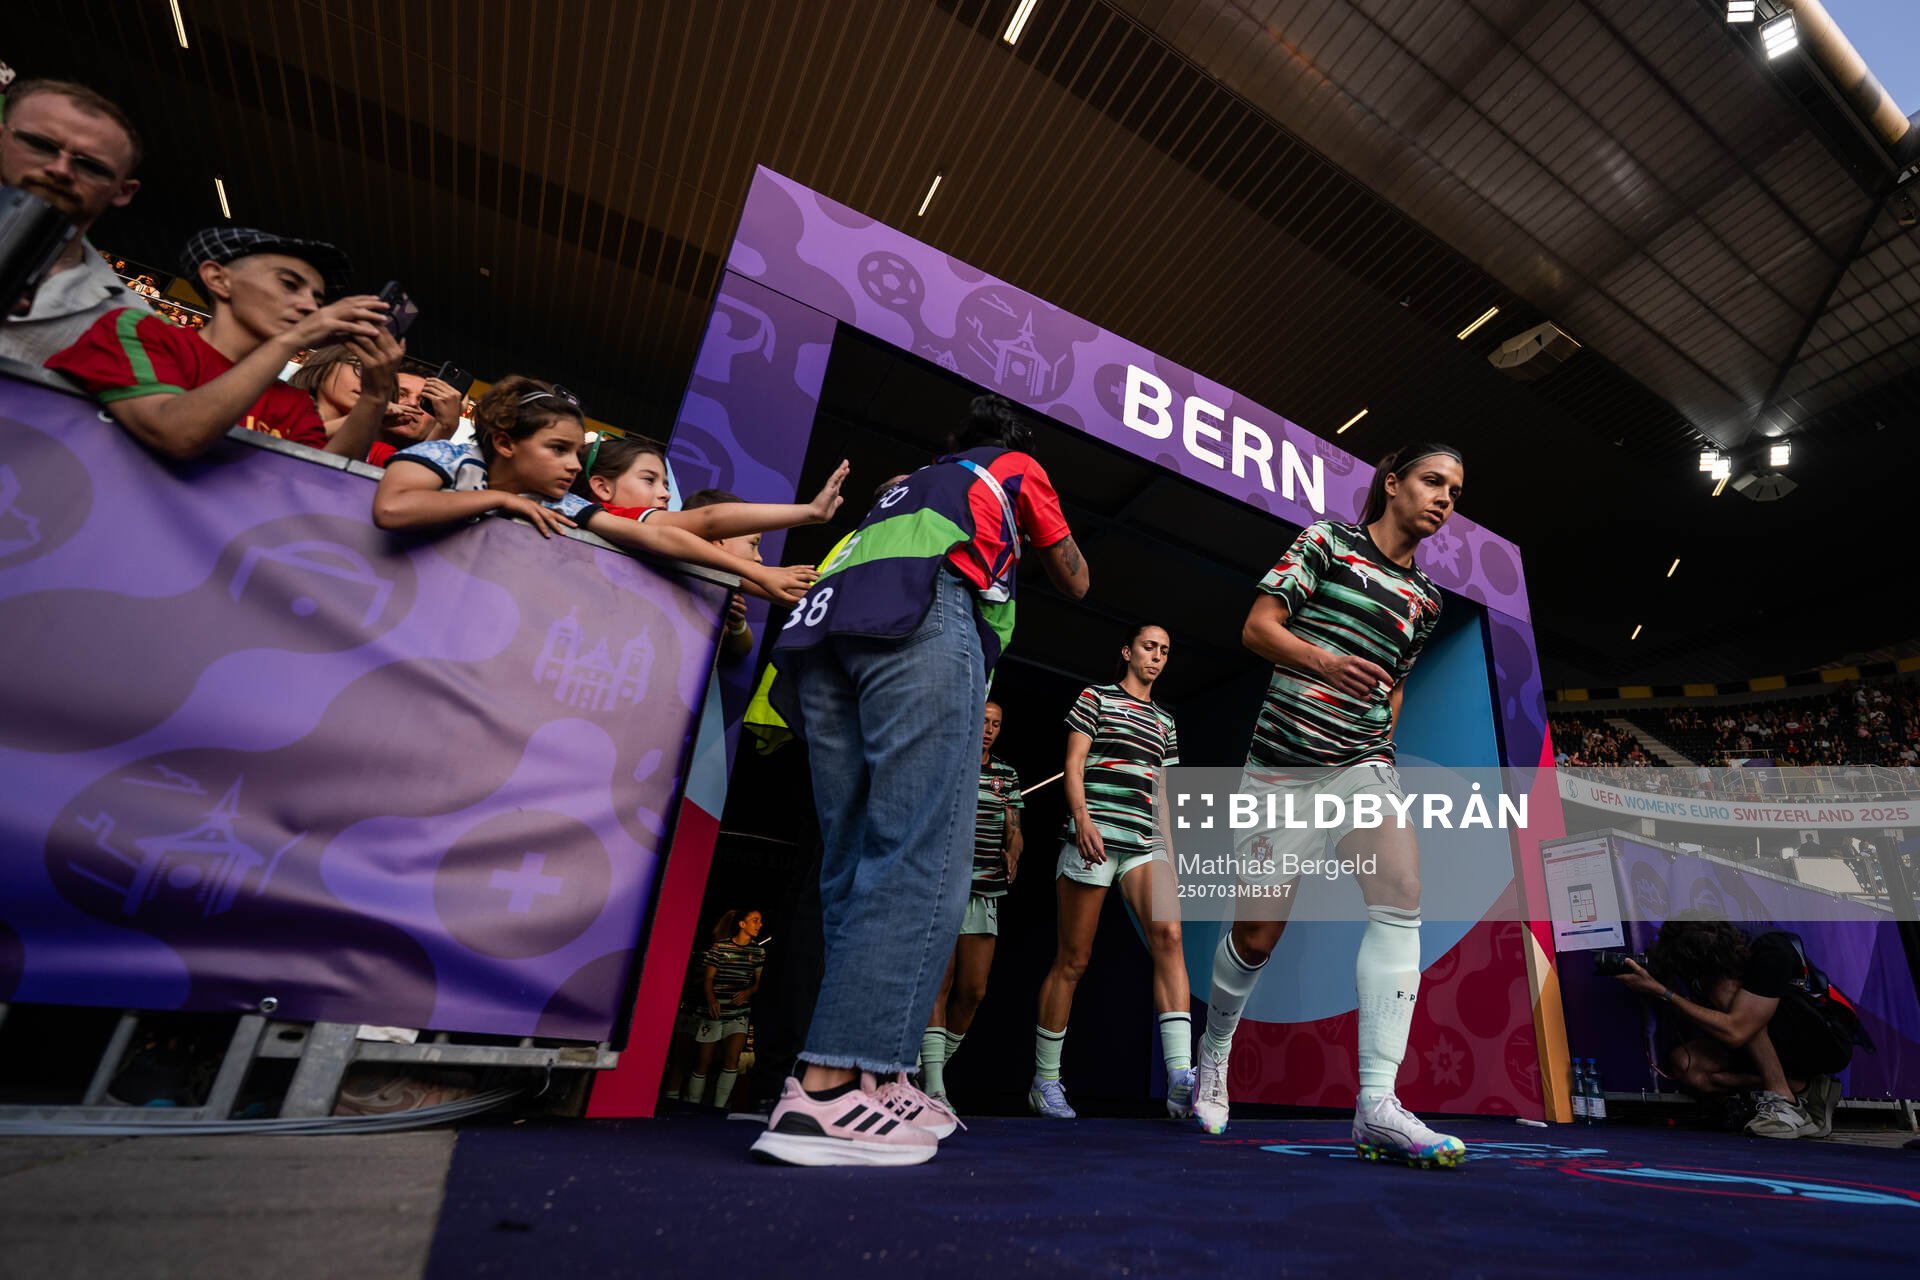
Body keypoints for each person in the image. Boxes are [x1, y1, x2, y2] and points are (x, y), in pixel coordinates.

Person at [750, 393, 1089, 1167]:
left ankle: (877, 1072)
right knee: (927, 853)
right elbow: (1078, 580)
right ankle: (828, 1090)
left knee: (854, 861)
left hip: (821, 637)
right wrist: (1037, 528)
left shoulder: (908, 484)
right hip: (923, 616)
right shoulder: (1013, 468)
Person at [1192, 443, 1462, 1169]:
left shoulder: (1428, 601)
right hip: (1280, 772)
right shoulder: (1325, 543)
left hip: (1361, 765)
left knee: (1402, 890)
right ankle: (1214, 1049)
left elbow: (1395, 680)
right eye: (1433, 482)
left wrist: (1382, 743)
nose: (1444, 498)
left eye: (1455, 491)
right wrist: (1323, 662)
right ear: (1393, 483)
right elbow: (1257, 628)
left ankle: (1376, 1104)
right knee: (1256, 937)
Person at [369, 375, 815, 606]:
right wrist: (501, 499)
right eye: (557, 449)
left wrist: (758, 574)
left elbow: (658, 535)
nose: (571, 465)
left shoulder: (563, 502)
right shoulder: (450, 458)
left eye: (575, 454)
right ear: (505, 443)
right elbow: (391, 508)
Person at [47, 226, 403, 461]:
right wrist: (294, 338)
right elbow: (174, 434)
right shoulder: (142, 333)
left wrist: (375, 394)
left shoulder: (292, 403)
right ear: (218, 279)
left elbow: (317, 482)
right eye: (289, 284)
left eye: (317, 298)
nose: (310, 305)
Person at [1031, 626, 1187, 1120]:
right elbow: (1073, 765)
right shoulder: (1095, 697)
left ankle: (1181, 1076)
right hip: (1094, 838)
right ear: (1127, 651)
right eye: (1148, 647)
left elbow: (1162, 791)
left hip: (1145, 844)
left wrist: (1172, 851)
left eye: (1164, 651)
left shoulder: (1166, 720)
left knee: (1170, 935)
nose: (1156, 657)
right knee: (1073, 960)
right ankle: (1045, 1080)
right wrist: (1082, 820)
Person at [1616, 918, 1852, 1139]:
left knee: (1731, 997)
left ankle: (1784, 1102)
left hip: (1825, 1041)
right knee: (1689, 1068)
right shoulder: (1695, 943)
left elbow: (1737, 1031)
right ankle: (1805, 1088)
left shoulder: (1770, 950)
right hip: (1771, 1044)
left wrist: (1664, 993)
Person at [919, 698, 1023, 1108]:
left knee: (973, 991)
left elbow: (1015, 826)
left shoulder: (1006, 774)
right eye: (983, 720)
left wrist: (1014, 848)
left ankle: (929, 1070)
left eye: (996, 723)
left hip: (986, 891)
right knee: (938, 985)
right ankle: (934, 1088)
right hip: (945, 886)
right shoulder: (949, 762)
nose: (989, 729)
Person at [0, 80, 146, 366]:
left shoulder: (131, 327)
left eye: (91, 166)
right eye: (40, 145)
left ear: (123, 191)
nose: (60, 170)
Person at [288, 348, 461, 462]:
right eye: (401, 394)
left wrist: (446, 427)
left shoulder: (379, 453)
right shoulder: (280, 400)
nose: (413, 404)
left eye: (426, 401)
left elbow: (402, 486)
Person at [688, 909, 768, 1111]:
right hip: (713, 1011)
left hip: (738, 1013)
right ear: (742, 924)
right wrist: (711, 999)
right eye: (755, 921)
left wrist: (748, 992)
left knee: (732, 1059)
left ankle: (718, 1108)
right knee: (703, 1060)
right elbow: (708, 978)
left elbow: (758, 983)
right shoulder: (720, 947)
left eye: (760, 921)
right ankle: (691, 1105)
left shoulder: (759, 952)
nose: (759, 925)